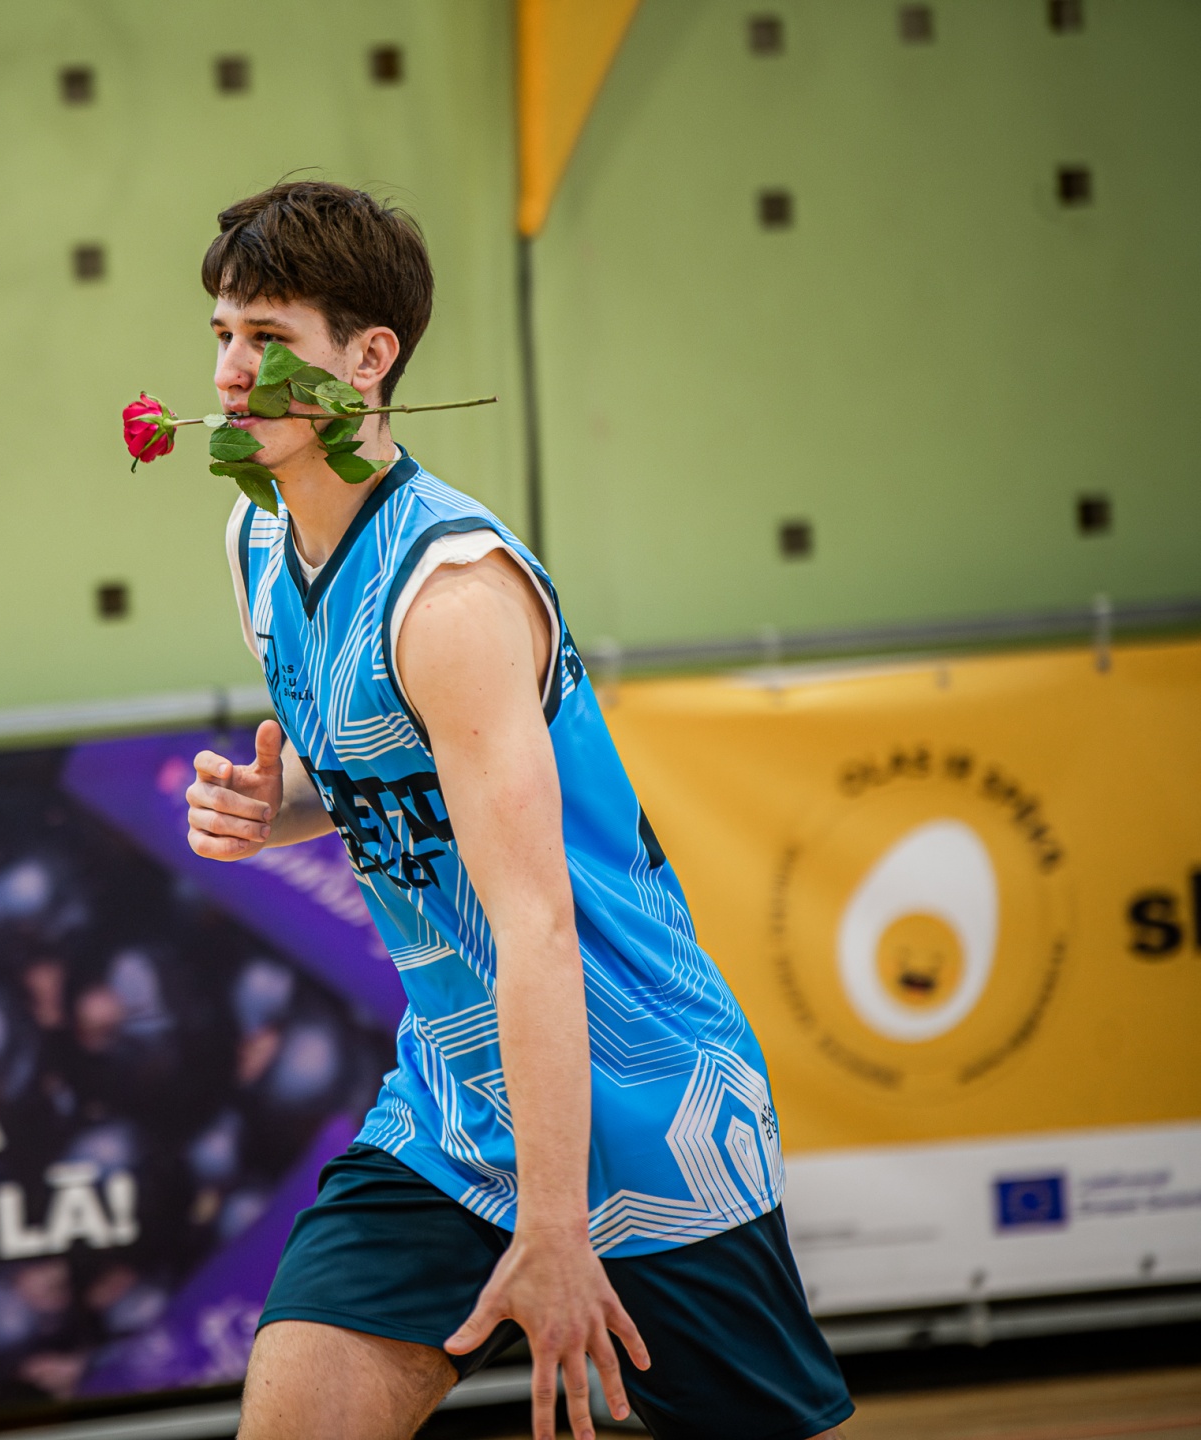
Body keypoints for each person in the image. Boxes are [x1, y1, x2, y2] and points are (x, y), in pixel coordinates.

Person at [183, 181, 853, 1440]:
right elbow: (391, 778)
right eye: (222, 333)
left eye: (269, 338)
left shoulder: (451, 599)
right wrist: (281, 808)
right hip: (453, 1104)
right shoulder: (258, 542)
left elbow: (535, 922)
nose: (228, 372)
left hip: (641, 1103)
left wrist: (555, 1226)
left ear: (368, 359)